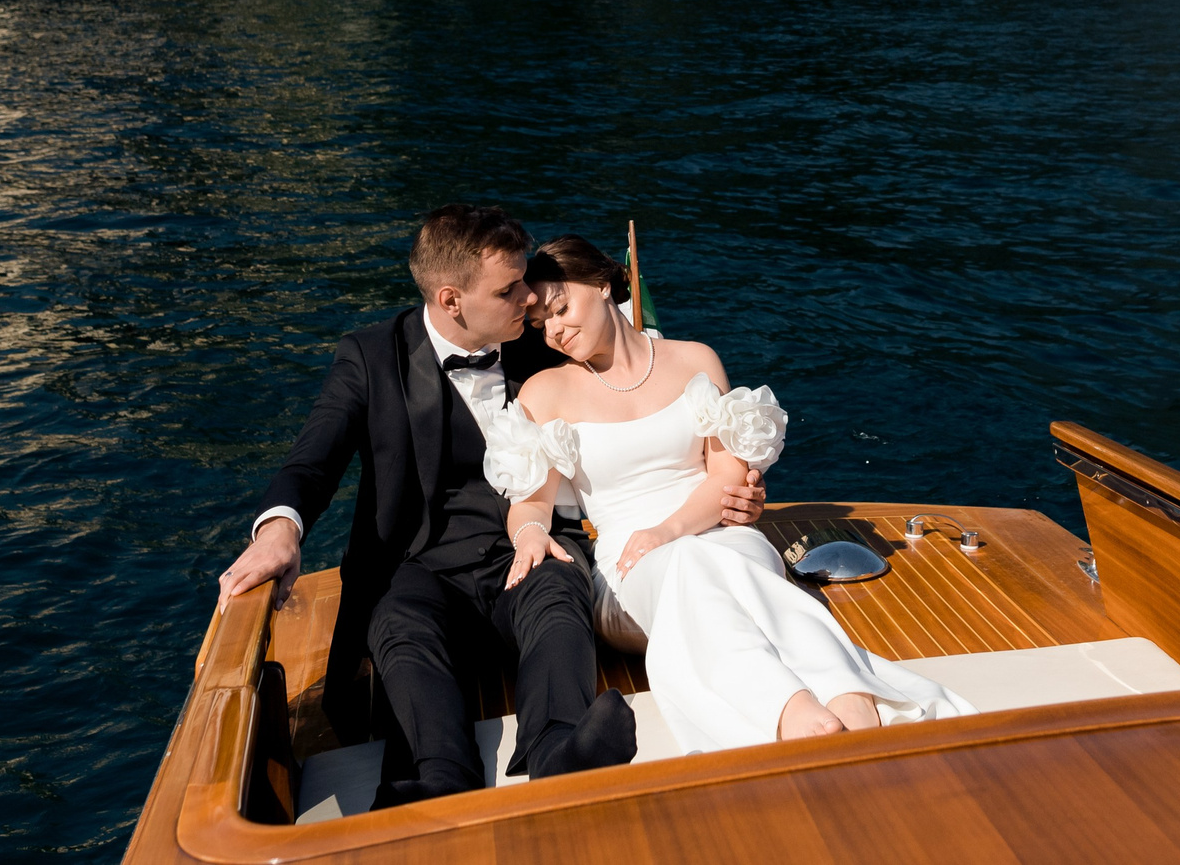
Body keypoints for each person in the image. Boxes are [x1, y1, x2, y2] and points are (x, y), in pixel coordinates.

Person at [212, 205, 767, 808]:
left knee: (558, 598)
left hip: (524, 547)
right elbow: (311, 460)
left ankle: (560, 755)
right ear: (452, 300)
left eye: (525, 279)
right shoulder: (370, 358)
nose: (530, 298)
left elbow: (644, 396)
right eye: (509, 289)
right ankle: (433, 778)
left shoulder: (548, 345)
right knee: (402, 629)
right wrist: (278, 532)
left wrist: (733, 482)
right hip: (415, 565)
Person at [486, 236, 973, 753]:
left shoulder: (695, 360)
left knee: (721, 555)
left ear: (603, 285)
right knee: (691, 567)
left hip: (713, 532)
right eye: (543, 325)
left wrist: (667, 530)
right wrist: (532, 534)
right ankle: (793, 707)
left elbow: (725, 476)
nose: (556, 330)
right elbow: (531, 503)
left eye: (561, 308)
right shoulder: (545, 390)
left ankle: (844, 695)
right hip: (628, 567)